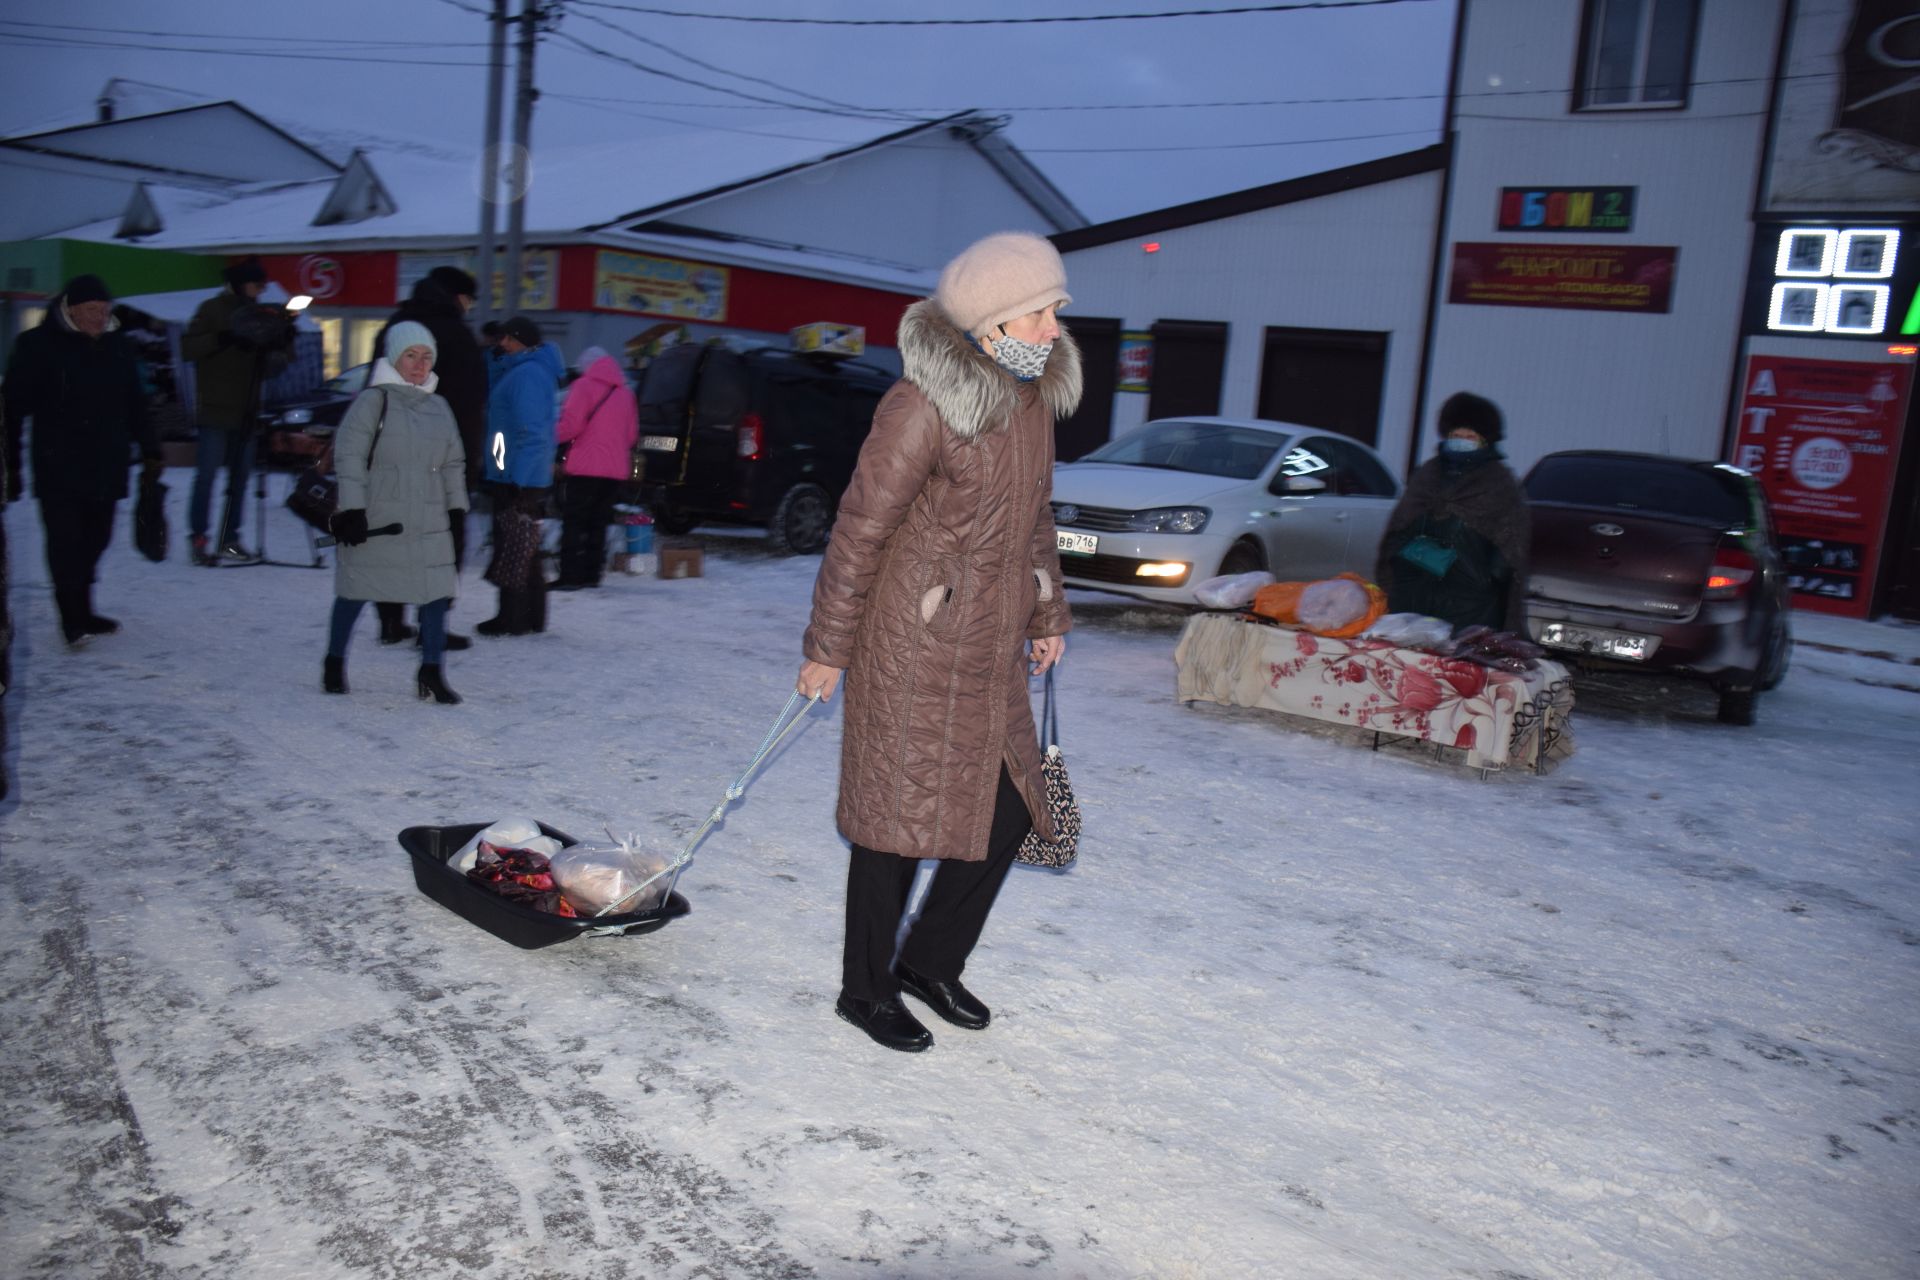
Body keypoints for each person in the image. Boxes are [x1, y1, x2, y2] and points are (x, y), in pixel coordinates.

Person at [795, 231, 1080, 1053]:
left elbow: (1036, 521)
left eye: (1055, 309)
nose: (1053, 327)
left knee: (1005, 810)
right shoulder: (920, 404)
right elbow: (859, 530)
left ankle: (927, 961)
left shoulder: (1030, 405)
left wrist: (1048, 611)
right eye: (1039, 311)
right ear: (992, 321)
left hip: (989, 648)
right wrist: (829, 645)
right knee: (897, 820)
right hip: (915, 643)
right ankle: (865, 988)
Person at [3, 274, 162, 646]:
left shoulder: (117, 345)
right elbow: (11, 408)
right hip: (57, 461)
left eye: (104, 310)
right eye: (92, 310)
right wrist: (9, 464)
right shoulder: (37, 346)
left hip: (107, 461)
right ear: (71, 309)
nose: (98, 317)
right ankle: (71, 616)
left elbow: (135, 402)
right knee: (64, 542)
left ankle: (83, 606)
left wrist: (151, 448)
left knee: (98, 538)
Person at [322, 322, 467, 704]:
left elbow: (454, 462)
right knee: (356, 591)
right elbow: (349, 457)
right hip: (379, 519)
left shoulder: (439, 406)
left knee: (435, 596)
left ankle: (431, 672)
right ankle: (334, 661)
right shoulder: (372, 402)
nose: (419, 366)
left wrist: (457, 510)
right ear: (394, 358)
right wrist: (352, 508)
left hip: (429, 520)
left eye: (426, 357)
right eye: (411, 356)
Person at [371, 266, 488, 649]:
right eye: (469, 300)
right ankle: (431, 625)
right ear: (457, 296)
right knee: (441, 539)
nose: (469, 308)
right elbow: (473, 400)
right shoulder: (456, 335)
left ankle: (390, 621)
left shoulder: (395, 326)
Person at [1374, 391, 1531, 635]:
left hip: (1469, 607)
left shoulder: (1499, 482)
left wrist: (1487, 580)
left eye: (1470, 436)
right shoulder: (1428, 473)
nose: (1462, 441)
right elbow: (1397, 530)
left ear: (1485, 441)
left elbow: (1511, 548)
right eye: (1456, 435)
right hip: (1413, 598)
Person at [180, 255, 289, 565]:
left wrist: (278, 348)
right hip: (215, 410)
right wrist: (224, 338)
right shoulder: (212, 310)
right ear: (241, 284)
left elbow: (273, 367)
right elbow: (189, 348)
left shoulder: (261, 313)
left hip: (247, 412)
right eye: (257, 284)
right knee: (207, 478)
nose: (261, 290)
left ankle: (229, 539)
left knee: (240, 481)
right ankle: (199, 538)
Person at [477, 315, 563, 636]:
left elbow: (532, 432)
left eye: (508, 338)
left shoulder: (526, 375)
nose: (502, 343)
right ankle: (529, 617)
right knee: (525, 547)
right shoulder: (528, 370)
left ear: (521, 340)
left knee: (513, 547)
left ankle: (511, 618)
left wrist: (521, 482)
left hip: (516, 477)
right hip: (518, 473)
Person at [551, 346, 637, 590]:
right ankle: (592, 575)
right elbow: (631, 436)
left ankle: (570, 575)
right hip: (614, 470)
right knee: (599, 522)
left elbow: (570, 426)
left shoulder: (583, 386)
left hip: (585, 467)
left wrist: (550, 436)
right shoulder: (626, 393)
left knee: (575, 520)